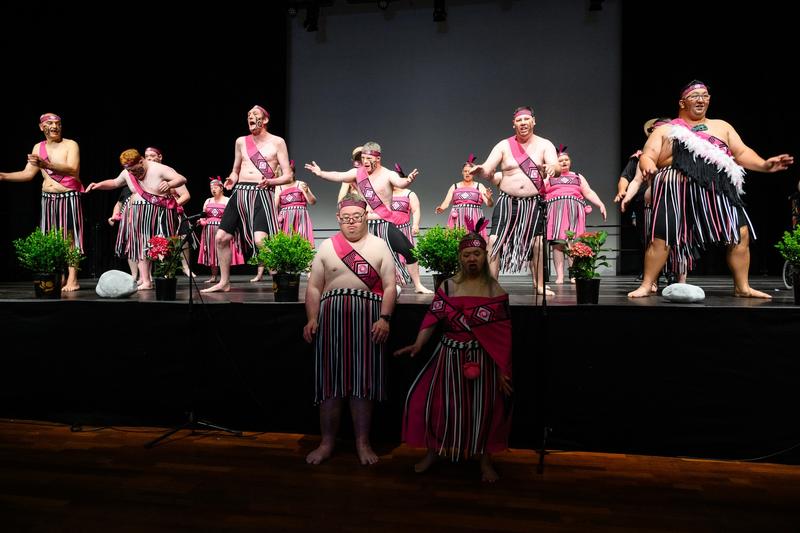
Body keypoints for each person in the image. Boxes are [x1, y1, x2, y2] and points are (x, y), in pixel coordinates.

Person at [628, 80, 794, 298]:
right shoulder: (667, 130)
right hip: (675, 187)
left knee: (740, 233)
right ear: (682, 102)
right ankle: (646, 284)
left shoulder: (722, 126)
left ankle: (742, 287)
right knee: (662, 236)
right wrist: (648, 164)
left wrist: (764, 165)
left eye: (705, 95)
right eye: (695, 95)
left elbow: (742, 153)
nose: (701, 99)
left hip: (718, 188)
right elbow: (649, 154)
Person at [394, 218, 512, 483]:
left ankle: (484, 460)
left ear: (484, 256)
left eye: (477, 254)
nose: (472, 259)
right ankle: (433, 452)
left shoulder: (496, 291)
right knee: (438, 405)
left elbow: (503, 337)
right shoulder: (447, 286)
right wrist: (418, 343)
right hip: (448, 357)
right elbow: (432, 318)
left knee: (483, 410)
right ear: (461, 257)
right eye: (467, 254)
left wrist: (503, 370)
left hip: (482, 360)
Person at [302, 194, 397, 465]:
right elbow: (314, 287)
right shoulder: (327, 247)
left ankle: (362, 442)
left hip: (369, 325)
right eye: (346, 219)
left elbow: (390, 286)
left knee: (362, 385)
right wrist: (312, 318)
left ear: (366, 216)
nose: (352, 223)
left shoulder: (379, 246)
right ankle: (327, 442)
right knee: (330, 385)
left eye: (357, 217)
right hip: (330, 325)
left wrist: (385, 318)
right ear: (338, 219)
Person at [305, 141, 430, 293]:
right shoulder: (358, 173)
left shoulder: (388, 174)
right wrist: (321, 173)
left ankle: (418, 285)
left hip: (383, 222)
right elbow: (339, 175)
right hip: (363, 224)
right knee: (347, 254)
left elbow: (400, 182)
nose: (364, 162)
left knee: (409, 251)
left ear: (378, 158)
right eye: (363, 158)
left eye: (368, 158)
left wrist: (408, 180)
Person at [469, 106, 560, 295]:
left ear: (534, 121)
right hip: (507, 201)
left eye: (527, 119)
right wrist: (481, 171)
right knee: (494, 241)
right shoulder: (504, 145)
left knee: (538, 242)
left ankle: (540, 284)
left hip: (533, 202)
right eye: (519, 120)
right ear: (514, 124)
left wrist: (552, 168)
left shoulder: (545, 144)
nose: (523, 123)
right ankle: (492, 284)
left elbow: (555, 166)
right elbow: (488, 169)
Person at [202, 105, 292, 293]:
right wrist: (231, 179)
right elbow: (235, 171)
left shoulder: (277, 142)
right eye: (248, 115)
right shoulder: (241, 142)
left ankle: (279, 280)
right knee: (221, 237)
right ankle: (224, 282)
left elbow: (287, 176)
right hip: (240, 192)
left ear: (265, 120)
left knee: (261, 241)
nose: (250, 117)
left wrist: (271, 181)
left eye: (255, 115)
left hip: (262, 192)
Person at [0, 113, 84, 291]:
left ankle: (73, 279)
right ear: (41, 127)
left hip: (68, 195)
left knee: (70, 239)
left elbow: (73, 169)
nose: (54, 126)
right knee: (52, 238)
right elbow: (27, 174)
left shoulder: (70, 145)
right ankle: (59, 275)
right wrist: (3, 176)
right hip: (48, 198)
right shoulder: (38, 147)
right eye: (50, 123)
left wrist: (46, 165)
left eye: (58, 123)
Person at [85, 149, 188, 290]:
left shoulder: (159, 169)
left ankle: (167, 278)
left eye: (134, 170)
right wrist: (98, 185)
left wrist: (170, 184)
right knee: (140, 246)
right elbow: (115, 183)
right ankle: (146, 281)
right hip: (139, 212)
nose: (132, 174)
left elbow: (182, 179)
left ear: (141, 161)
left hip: (161, 212)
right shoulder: (128, 172)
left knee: (164, 244)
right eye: (130, 171)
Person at [544, 145, 607, 284]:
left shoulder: (577, 176)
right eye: (560, 160)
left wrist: (600, 204)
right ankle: (560, 276)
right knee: (558, 244)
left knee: (572, 244)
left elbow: (588, 192)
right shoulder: (549, 177)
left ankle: (573, 275)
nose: (564, 162)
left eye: (566, 160)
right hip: (556, 212)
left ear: (570, 162)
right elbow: (540, 190)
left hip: (574, 212)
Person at [392, 163, 433, 294]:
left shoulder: (409, 193)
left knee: (409, 256)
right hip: (387, 229)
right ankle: (392, 284)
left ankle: (418, 285)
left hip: (403, 229)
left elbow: (416, 210)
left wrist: (415, 224)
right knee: (388, 257)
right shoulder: (385, 194)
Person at [197, 176, 246, 284]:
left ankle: (225, 277)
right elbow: (203, 215)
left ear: (221, 188)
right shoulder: (208, 200)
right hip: (209, 230)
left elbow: (232, 216)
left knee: (222, 252)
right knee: (211, 252)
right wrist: (202, 220)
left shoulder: (227, 200)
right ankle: (214, 276)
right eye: (211, 188)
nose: (213, 189)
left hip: (222, 229)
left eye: (215, 187)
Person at [435, 154, 494, 239]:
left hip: (474, 217)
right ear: (462, 172)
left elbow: (490, 204)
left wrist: (489, 198)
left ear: (473, 173)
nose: (467, 173)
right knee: (456, 241)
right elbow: (446, 203)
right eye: (465, 171)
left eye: (470, 171)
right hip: (457, 218)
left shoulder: (479, 186)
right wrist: (441, 208)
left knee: (473, 241)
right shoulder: (454, 186)